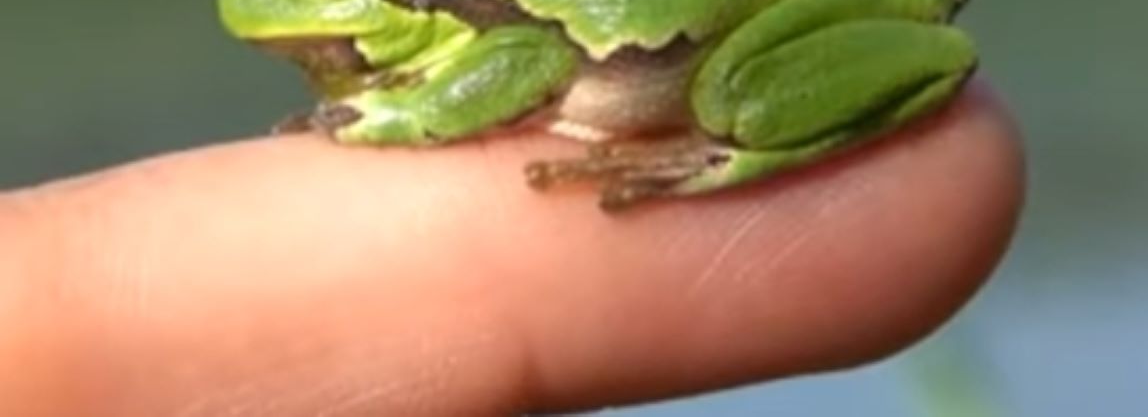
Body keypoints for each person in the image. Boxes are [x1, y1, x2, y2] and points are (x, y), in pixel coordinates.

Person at [0, 81, 1021, 416]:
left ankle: (726, 156)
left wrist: (393, 119)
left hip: (720, 38)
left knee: (730, 101)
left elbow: (524, 53)